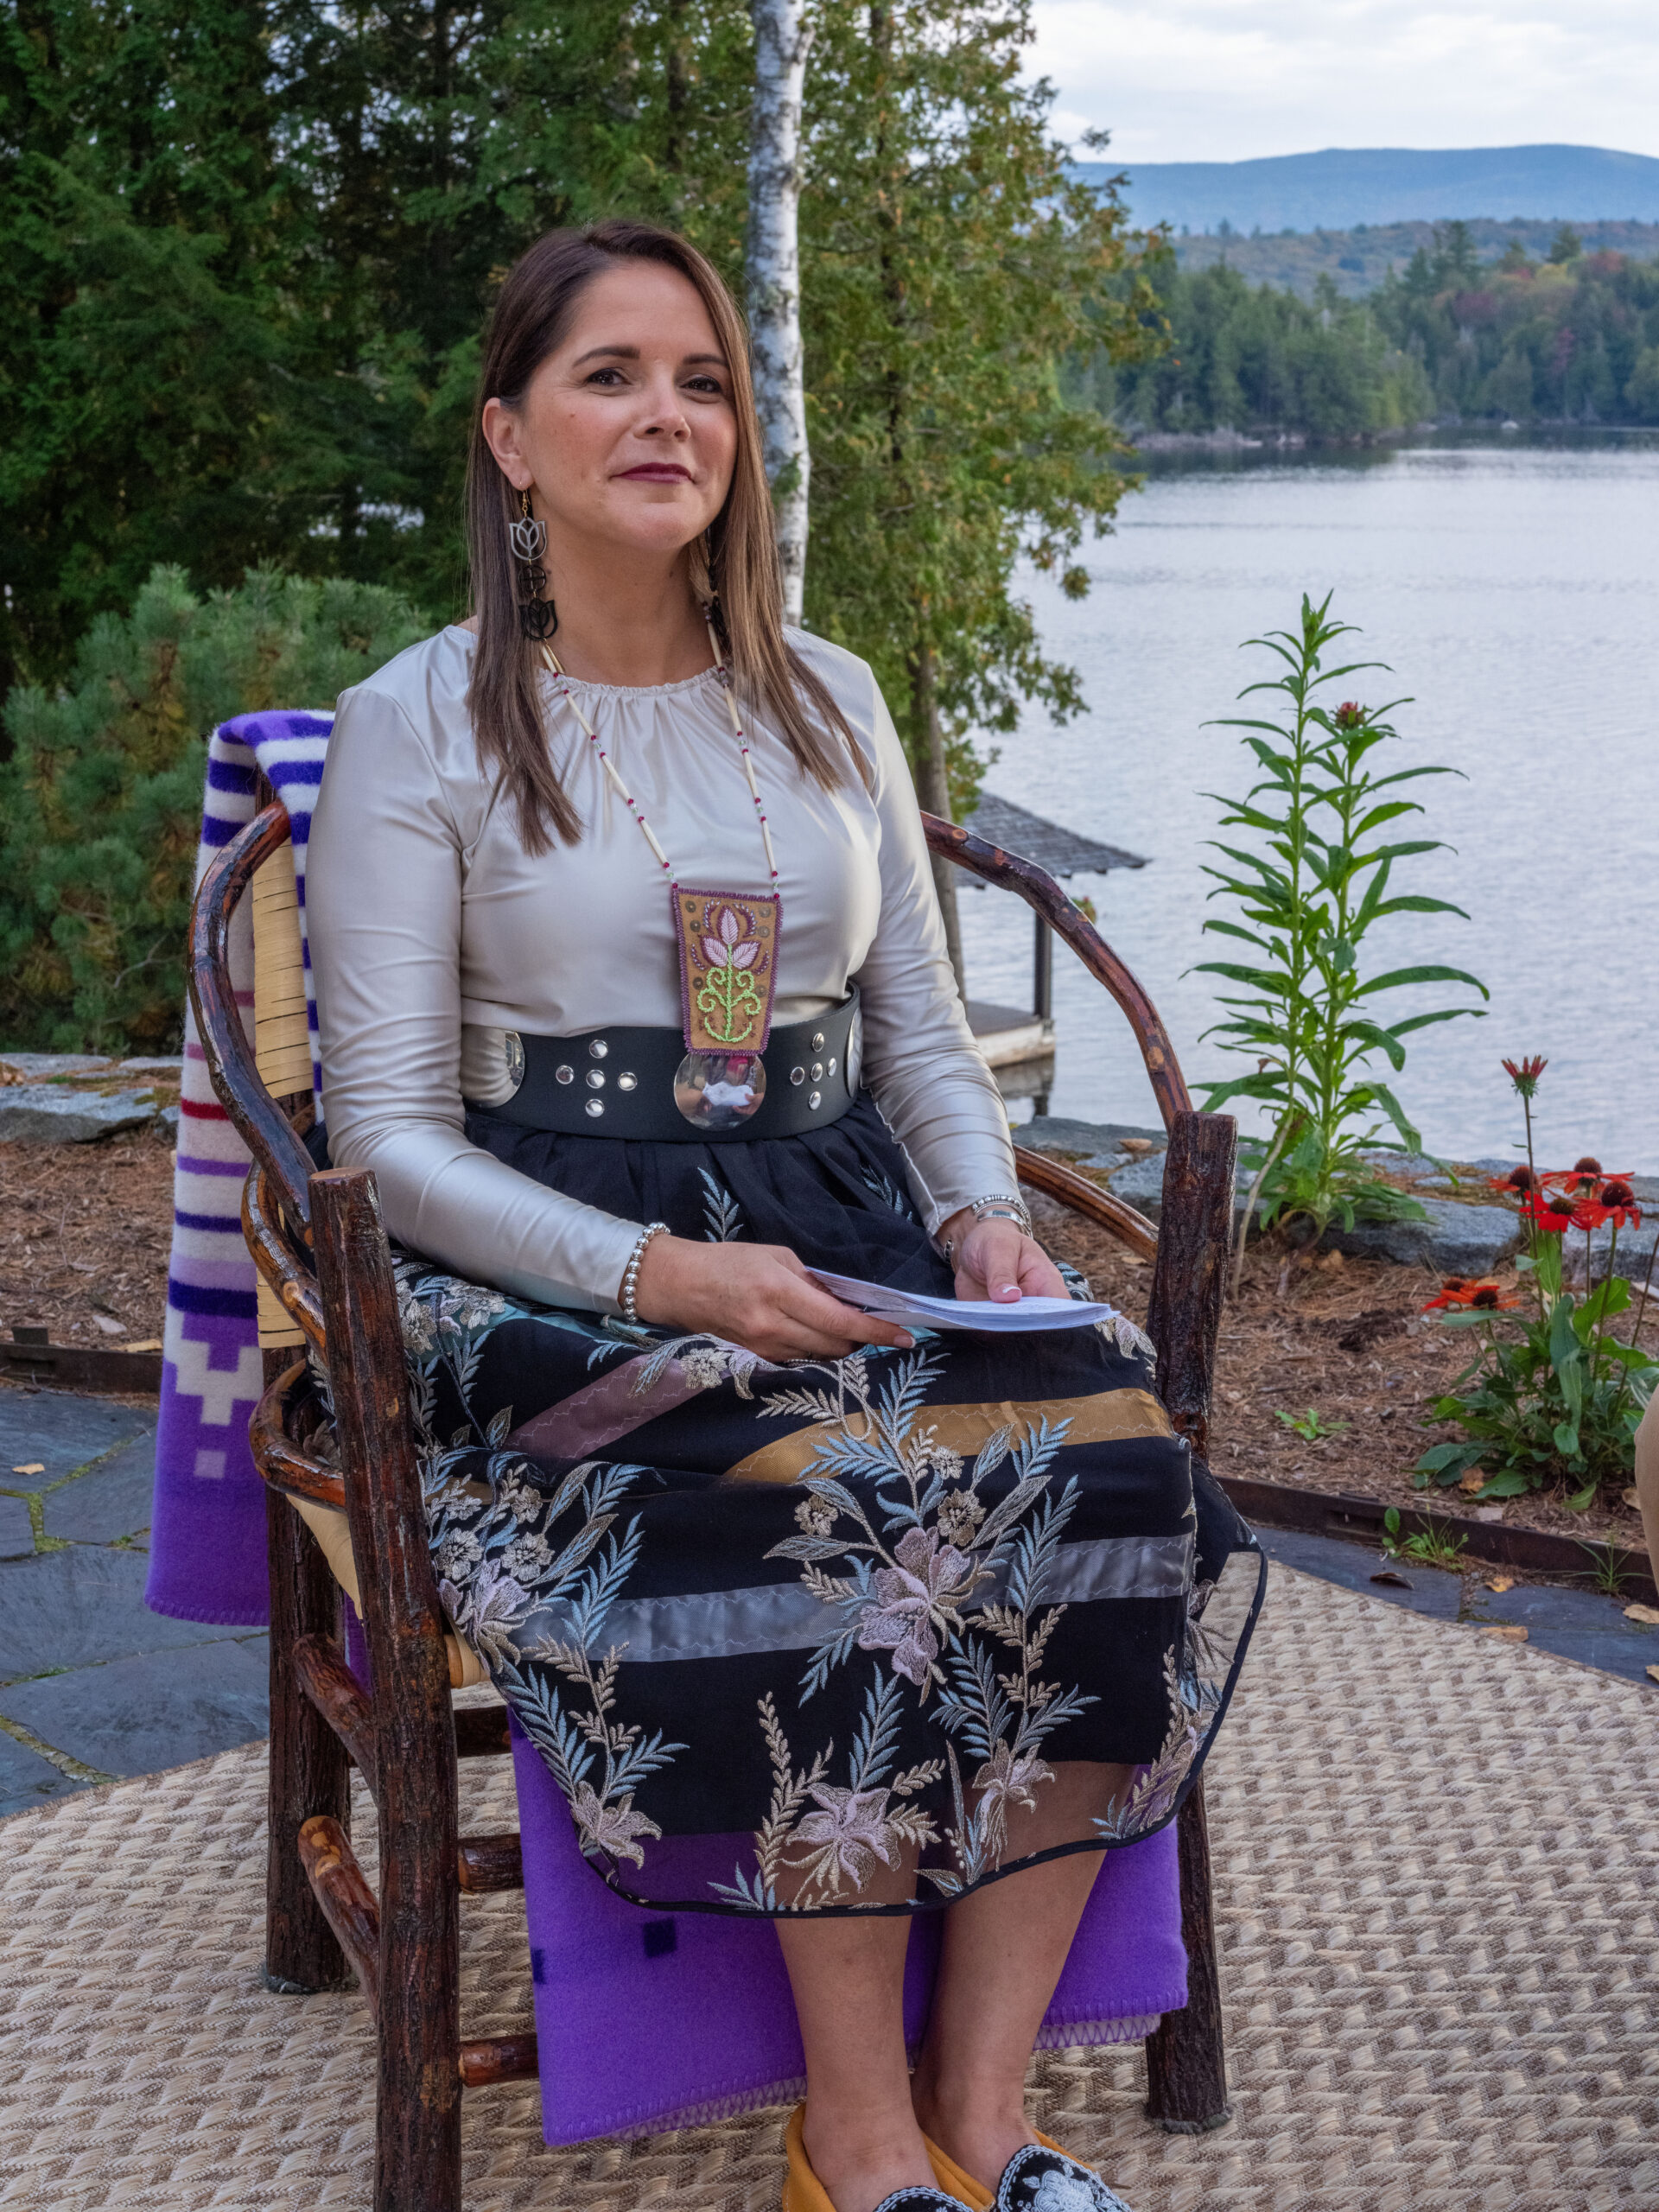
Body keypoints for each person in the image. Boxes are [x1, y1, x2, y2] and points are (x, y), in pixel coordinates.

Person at [308, 219, 1259, 2212]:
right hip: (552, 1262)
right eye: (612, 374)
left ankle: (983, 2114)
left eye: (705, 378)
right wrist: (656, 1273)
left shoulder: (826, 695)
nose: (669, 412)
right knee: (830, 1499)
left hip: (851, 1223)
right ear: (509, 435)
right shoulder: (421, 720)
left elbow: (920, 1034)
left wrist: (988, 1221)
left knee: (1111, 1474)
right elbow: (386, 1135)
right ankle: (849, 2130)